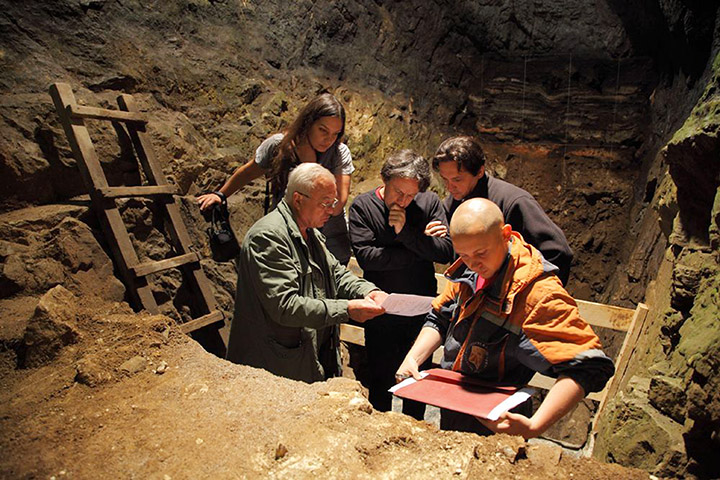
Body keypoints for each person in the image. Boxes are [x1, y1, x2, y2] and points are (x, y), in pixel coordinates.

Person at [396, 198, 614, 438]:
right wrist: (413, 359)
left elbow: (588, 367)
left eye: (480, 253)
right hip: (457, 403)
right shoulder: (470, 269)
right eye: (463, 255)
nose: (473, 264)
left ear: (505, 234)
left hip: (501, 418)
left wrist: (535, 426)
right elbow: (440, 315)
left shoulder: (536, 294)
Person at [226, 163, 388, 383]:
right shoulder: (269, 237)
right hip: (275, 366)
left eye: (332, 203)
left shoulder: (309, 232)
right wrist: (347, 309)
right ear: (298, 199)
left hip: (304, 357)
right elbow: (285, 306)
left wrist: (368, 290)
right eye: (325, 203)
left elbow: (336, 273)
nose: (331, 211)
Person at [348, 150, 454, 420]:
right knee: (380, 381)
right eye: (398, 193)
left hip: (421, 309)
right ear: (385, 180)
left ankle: (413, 430)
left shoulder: (428, 202)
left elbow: (445, 252)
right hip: (381, 308)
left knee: (416, 381)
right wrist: (420, 245)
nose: (404, 201)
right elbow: (368, 259)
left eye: (411, 195)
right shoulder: (363, 206)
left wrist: (404, 233)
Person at [197, 92, 354, 265]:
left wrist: (309, 166)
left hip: (329, 241)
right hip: (287, 237)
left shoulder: (339, 153)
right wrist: (220, 194)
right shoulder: (279, 145)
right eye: (323, 130)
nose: (328, 139)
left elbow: (338, 204)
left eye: (335, 134)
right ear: (309, 123)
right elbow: (249, 172)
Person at [431, 136, 574, 285]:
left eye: (457, 179)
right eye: (445, 179)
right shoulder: (452, 203)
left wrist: (525, 293)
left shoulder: (515, 202)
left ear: (480, 171)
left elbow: (558, 252)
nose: (449, 187)